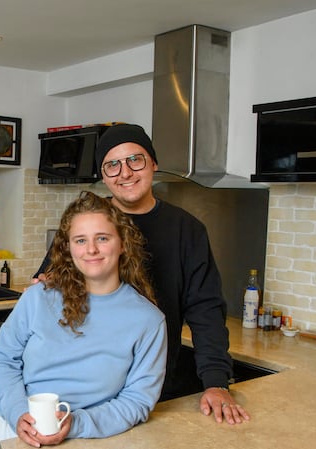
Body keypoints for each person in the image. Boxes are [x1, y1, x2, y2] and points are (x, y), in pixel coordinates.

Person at [0, 191, 167, 449]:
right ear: (68, 247)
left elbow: (138, 401)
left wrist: (76, 424)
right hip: (19, 432)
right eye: (80, 240)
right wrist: (19, 413)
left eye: (102, 238)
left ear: (122, 243)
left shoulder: (148, 320)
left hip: (95, 442)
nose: (91, 250)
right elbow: (2, 359)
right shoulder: (39, 298)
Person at [35, 124, 250, 425]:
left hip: (153, 384)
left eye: (135, 160)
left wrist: (216, 382)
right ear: (103, 174)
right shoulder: (87, 223)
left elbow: (206, 310)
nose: (125, 173)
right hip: (85, 386)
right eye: (113, 165)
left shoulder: (186, 230)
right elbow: (49, 284)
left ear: (153, 163)